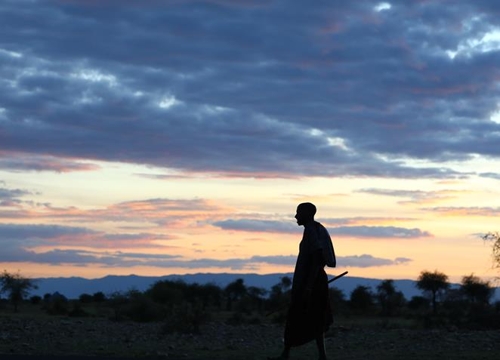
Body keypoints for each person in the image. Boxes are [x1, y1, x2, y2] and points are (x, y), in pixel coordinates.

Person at [269, 202, 336, 360]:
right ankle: (319, 356)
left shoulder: (312, 231)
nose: (296, 216)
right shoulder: (315, 229)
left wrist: (308, 288)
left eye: (298, 212)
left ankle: (287, 355)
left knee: (297, 316)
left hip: (311, 282)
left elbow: (317, 259)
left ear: (307, 213)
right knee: (315, 318)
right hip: (314, 281)